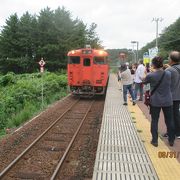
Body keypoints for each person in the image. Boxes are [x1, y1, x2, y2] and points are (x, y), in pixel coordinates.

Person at [143, 56, 175, 147]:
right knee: (169, 120)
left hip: (155, 101)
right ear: (162, 64)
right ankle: (171, 140)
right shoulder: (168, 74)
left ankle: (155, 141)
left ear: (153, 65)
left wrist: (146, 73)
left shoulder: (150, 75)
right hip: (168, 100)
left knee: (154, 120)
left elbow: (144, 81)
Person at [163, 51, 180, 139]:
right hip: (178, 96)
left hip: (170, 96)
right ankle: (178, 132)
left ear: (171, 60)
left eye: (169, 57)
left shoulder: (169, 70)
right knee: (176, 114)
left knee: (169, 116)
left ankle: (170, 133)